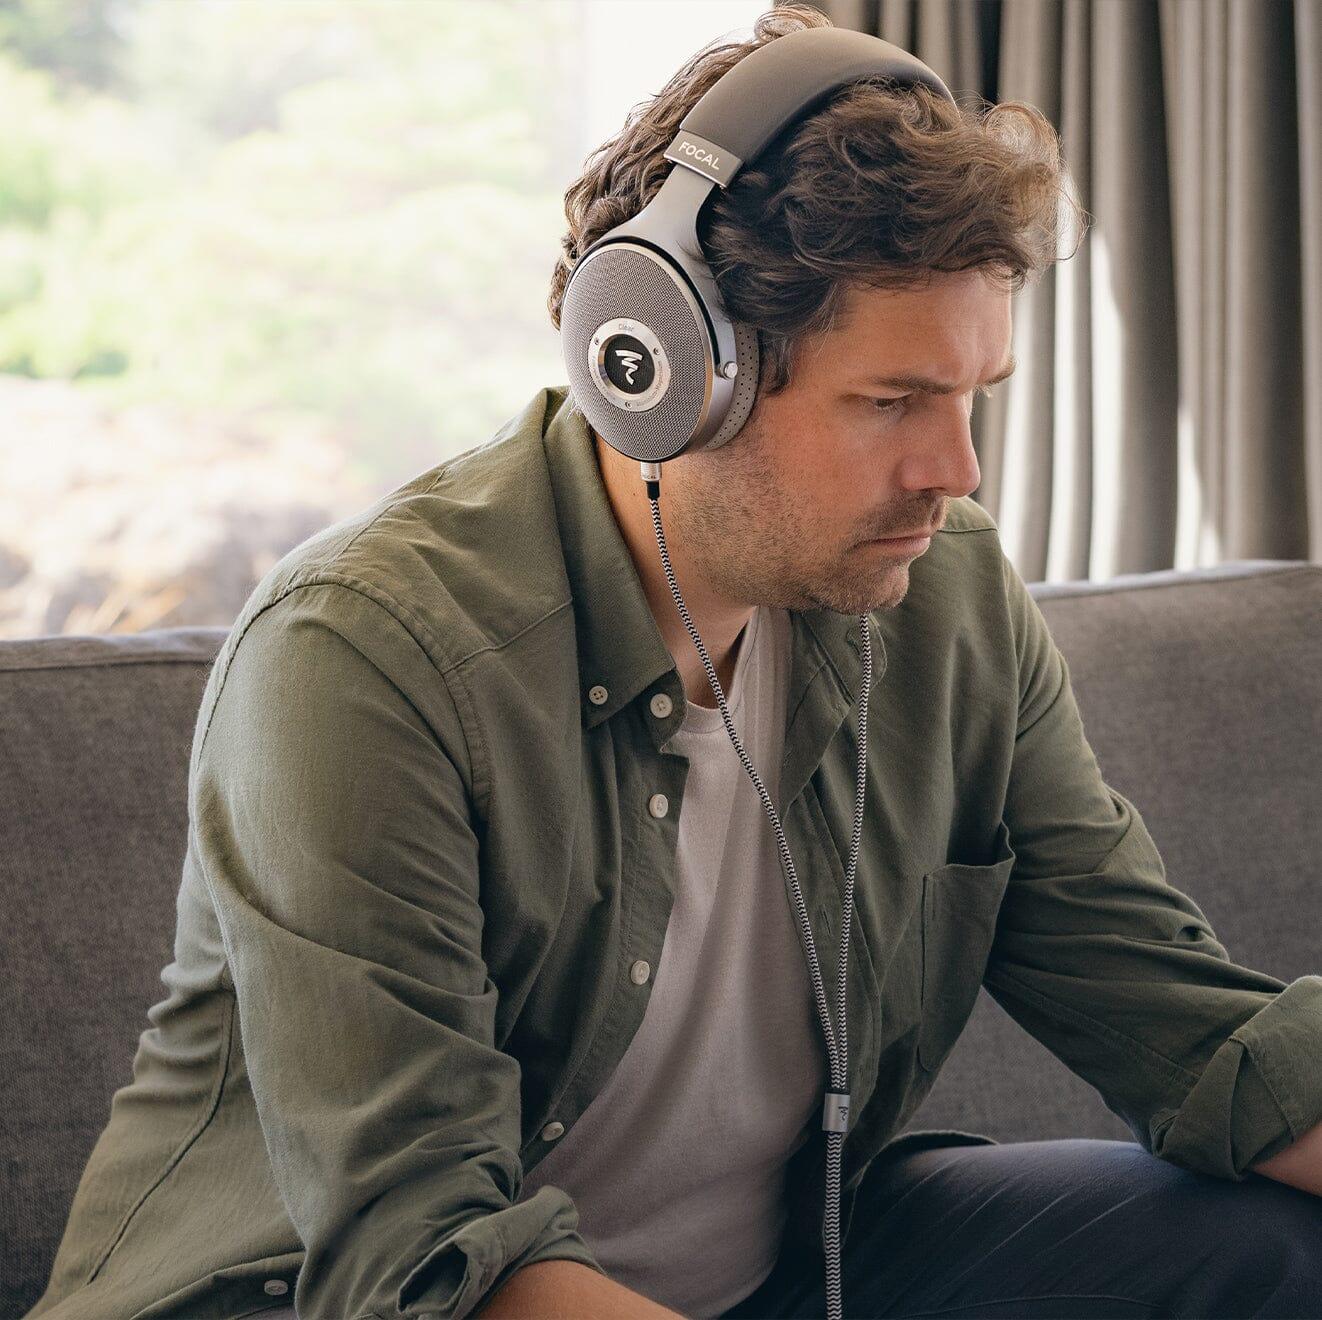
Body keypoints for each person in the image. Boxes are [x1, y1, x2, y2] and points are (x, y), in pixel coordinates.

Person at [28, 6, 1322, 1320]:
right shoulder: (362, 654)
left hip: (775, 1276)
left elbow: (1192, 1032)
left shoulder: (947, 597)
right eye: (890, 403)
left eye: (969, 394)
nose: (955, 469)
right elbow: (418, 1249)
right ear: (662, 370)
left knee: (1250, 1249)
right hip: (334, 1300)